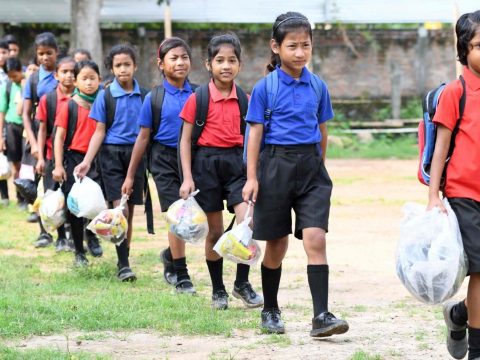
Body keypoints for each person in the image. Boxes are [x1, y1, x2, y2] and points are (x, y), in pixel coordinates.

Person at [242, 12, 349, 337]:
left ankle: (321, 316)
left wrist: (320, 165)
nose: (300, 52)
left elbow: (322, 129)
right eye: (292, 46)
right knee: (276, 243)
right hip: (274, 165)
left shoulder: (318, 86)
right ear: (276, 47)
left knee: (316, 237)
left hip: (311, 168)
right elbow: (255, 134)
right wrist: (252, 177)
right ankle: (270, 309)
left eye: (305, 45)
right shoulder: (265, 88)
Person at [178, 33, 263, 309]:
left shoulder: (246, 100)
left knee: (247, 225)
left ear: (239, 64)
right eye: (220, 60)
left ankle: (242, 282)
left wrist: (254, 174)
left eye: (232, 60)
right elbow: (185, 141)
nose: (226, 66)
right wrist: (188, 177)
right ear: (208, 64)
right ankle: (218, 290)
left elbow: (254, 139)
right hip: (206, 165)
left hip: (237, 165)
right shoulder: (197, 98)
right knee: (214, 232)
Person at [121, 37, 196, 294]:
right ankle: (182, 275)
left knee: (195, 218)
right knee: (176, 215)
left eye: (184, 57)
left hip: (194, 158)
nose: (180, 62)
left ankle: (170, 255)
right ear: (160, 64)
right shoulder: (154, 98)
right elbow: (143, 138)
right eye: (173, 58)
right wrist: (131, 176)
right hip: (163, 160)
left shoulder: (199, 94)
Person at [428, 10, 480, 360]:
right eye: (479, 45)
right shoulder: (455, 92)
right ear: (464, 49)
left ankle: (459, 313)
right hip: (464, 194)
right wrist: (433, 195)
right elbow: (441, 146)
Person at [74, 44, 146, 282]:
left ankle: (123, 256)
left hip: (136, 156)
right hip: (111, 156)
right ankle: (124, 265)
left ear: (135, 66)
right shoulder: (106, 96)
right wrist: (87, 161)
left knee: (130, 211)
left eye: (127, 64)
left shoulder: (144, 96)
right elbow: (98, 132)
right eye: (118, 65)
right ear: (111, 69)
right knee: (120, 209)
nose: (123, 69)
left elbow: (148, 133)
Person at [53, 60, 102, 267]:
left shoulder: (101, 103)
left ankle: (92, 237)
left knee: (96, 203)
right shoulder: (69, 105)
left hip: (98, 159)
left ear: (99, 80)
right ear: (76, 81)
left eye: (93, 78)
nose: (89, 83)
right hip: (74, 159)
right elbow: (58, 137)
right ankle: (79, 251)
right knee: (75, 207)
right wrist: (58, 165)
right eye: (84, 78)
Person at [21, 32, 60, 247]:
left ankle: (67, 232)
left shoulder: (64, 73)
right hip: (39, 134)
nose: (45, 58)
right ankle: (44, 231)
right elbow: (26, 113)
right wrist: (34, 143)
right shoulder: (34, 79)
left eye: (49, 53)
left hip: (63, 133)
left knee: (62, 182)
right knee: (41, 184)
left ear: (57, 53)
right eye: (41, 54)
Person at [0, 57, 25, 207]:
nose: (12, 78)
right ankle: (20, 196)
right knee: (16, 164)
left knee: (26, 163)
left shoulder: (27, 84)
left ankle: (27, 195)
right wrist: (1, 137)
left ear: (20, 70)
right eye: (9, 76)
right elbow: (2, 111)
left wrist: (24, 87)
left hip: (26, 128)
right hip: (12, 127)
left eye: (14, 75)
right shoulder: (7, 86)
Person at [0, 40, 10, 205]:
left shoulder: (13, 74)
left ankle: (6, 196)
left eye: (4, 53)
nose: (1, 56)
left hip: (8, 120)